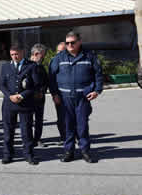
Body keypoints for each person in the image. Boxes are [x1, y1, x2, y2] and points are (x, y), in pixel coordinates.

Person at [49, 31, 103, 163]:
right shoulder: (59, 58)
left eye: (72, 42)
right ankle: (69, 152)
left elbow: (98, 75)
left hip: (82, 98)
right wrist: (54, 94)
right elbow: (51, 77)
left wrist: (97, 90)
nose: (70, 45)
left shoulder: (89, 56)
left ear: (79, 42)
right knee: (68, 126)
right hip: (64, 98)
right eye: (67, 43)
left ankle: (85, 151)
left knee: (82, 126)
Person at [0, 45, 41, 165]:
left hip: (25, 103)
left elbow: (35, 85)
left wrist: (22, 95)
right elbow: (2, 85)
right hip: (9, 103)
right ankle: (8, 154)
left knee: (26, 130)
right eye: (12, 54)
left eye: (16, 54)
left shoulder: (31, 66)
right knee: (8, 131)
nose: (14, 56)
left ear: (22, 52)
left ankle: (29, 155)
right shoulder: (6, 66)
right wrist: (10, 96)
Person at [29, 44, 48, 147]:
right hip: (29, 98)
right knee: (28, 120)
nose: (44, 57)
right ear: (36, 54)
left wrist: (42, 91)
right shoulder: (26, 65)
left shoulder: (41, 66)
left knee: (39, 119)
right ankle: (29, 139)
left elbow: (45, 81)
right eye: (43, 55)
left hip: (40, 98)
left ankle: (37, 138)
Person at [53, 42, 67, 143]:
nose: (59, 53)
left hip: (71, 94)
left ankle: (74, 135)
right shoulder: (54, 61)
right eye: (58, 51)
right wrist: (55, 94)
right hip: (60, 94)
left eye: (61, 51)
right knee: (61, 117)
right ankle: (63, 136)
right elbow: (51, 79)